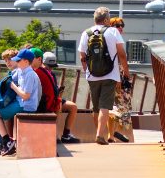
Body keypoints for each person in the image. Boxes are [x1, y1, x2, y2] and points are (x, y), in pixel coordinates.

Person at [79, 8, 130, 145]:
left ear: (94, 19)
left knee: (96, 107)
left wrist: (87, 72)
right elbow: (122, 54)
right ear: (107, 20)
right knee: (105, 106)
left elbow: (82, 56)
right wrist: (126, 72)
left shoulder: (86, 33)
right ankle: (100, 135)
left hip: (92, 75)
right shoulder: (112, 31)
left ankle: (99, 132)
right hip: (110, 74)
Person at [30, 49, 81, 144]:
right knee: (58, 106)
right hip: (45, 100)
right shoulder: (38, 72)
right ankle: (54, 134)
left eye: (52, 67)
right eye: (48, 66)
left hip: (53, 98)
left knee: (73, 107)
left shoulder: (51, 74)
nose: (50, 68)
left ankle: (66, 134)